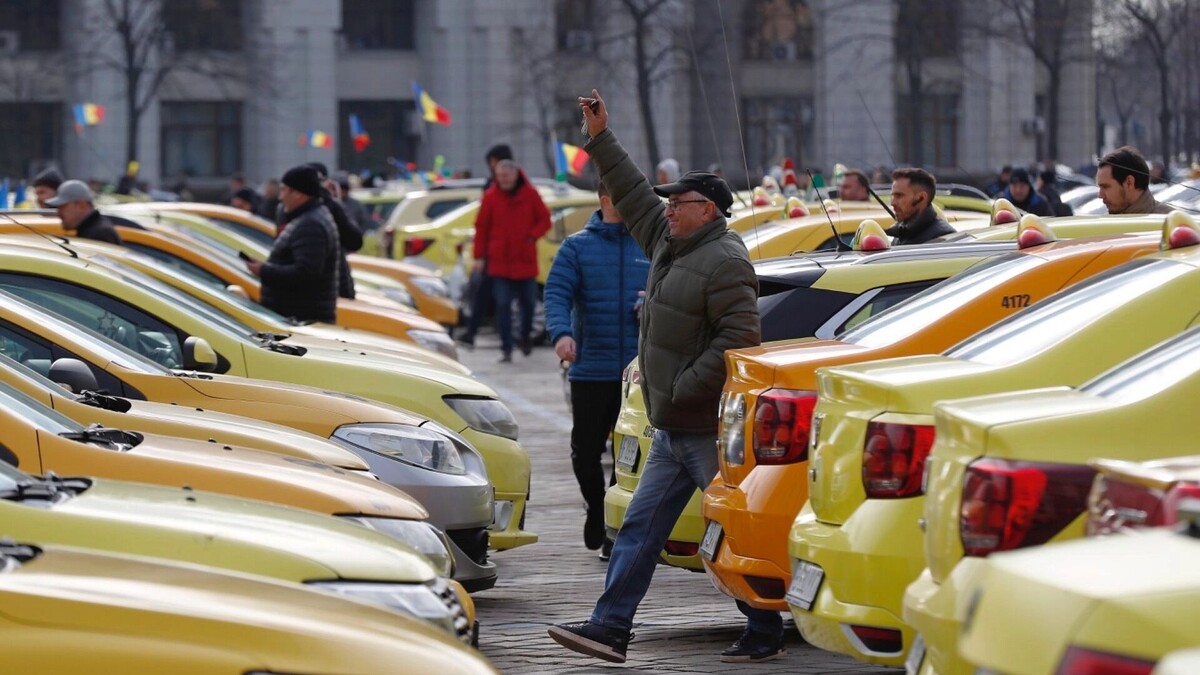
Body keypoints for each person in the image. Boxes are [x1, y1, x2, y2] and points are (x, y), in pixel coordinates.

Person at [549, 89, 776, 665]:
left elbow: (738, 340)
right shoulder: (670, 243)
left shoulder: (724, 259)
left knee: (731, 531)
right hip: (672, 430)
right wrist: (599, 136)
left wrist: (679, 389)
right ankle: (609, 627)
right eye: (668, 202)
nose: (668, 208)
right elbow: (628, 187)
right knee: (639, 530)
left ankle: (766, 622)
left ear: (712, 209)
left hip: (700, 427)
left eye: (681, 201)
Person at [544, 180, 650, 559]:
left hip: (637, 373)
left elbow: (666, 291)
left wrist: (649, 304)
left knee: (628, 452)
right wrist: (562, 334)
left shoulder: (648, 245)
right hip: (590, 367)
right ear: (606, 200)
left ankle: (610, 526)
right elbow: (556, 293)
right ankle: (596, 504)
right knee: (585, 450)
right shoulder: (577, 247)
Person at [471, 160, 550, 362]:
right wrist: (479, 257)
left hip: (525, 260)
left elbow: (545, 220)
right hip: (500, 262)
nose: (503, 180)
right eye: (500, 176)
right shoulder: (490, 197)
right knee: (503, 305)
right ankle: (506, 348)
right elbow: (481, 228)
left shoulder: (530, 195)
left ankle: (524, 337)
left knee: (529, 305)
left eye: (506, 175)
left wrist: (532, 236)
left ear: (515, 175)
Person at [244, 165, 339, 323]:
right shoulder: (306, 218)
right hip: (298, 317)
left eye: (284, 190)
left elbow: (305, 274)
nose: (280, 197)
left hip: (301, 320)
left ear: (299, 195)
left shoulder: (311, 224)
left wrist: (264, 270)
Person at [457, 143, 516, 350]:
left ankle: (498, 338)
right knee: (488, 296)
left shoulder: (505, 186)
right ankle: (485, 335)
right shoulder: (495, 186)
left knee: (498, 299)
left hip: (502, 253)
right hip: (495, 252)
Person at [306, 162, 361, 299]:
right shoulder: (290, 209)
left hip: (334, 287)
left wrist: (335, 202)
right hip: (319, 292)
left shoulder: (332, 205)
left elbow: (354, 241)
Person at [885, 168, 955, 244]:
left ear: (922, 197)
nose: (893, 203)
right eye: (893, 196)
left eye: (899, 195)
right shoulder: (902, 232)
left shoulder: (942, 237)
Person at [1096, 146, 1172, 215]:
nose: (1100, 195)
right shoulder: (1105, 224)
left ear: (1129, 182)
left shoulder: (1170, 223)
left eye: (1105, 187)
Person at [45, 180, 121, 244]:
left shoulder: (99, 234)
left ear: (81, 205)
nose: (58, 213)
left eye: (62, 207)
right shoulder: (94, 230)